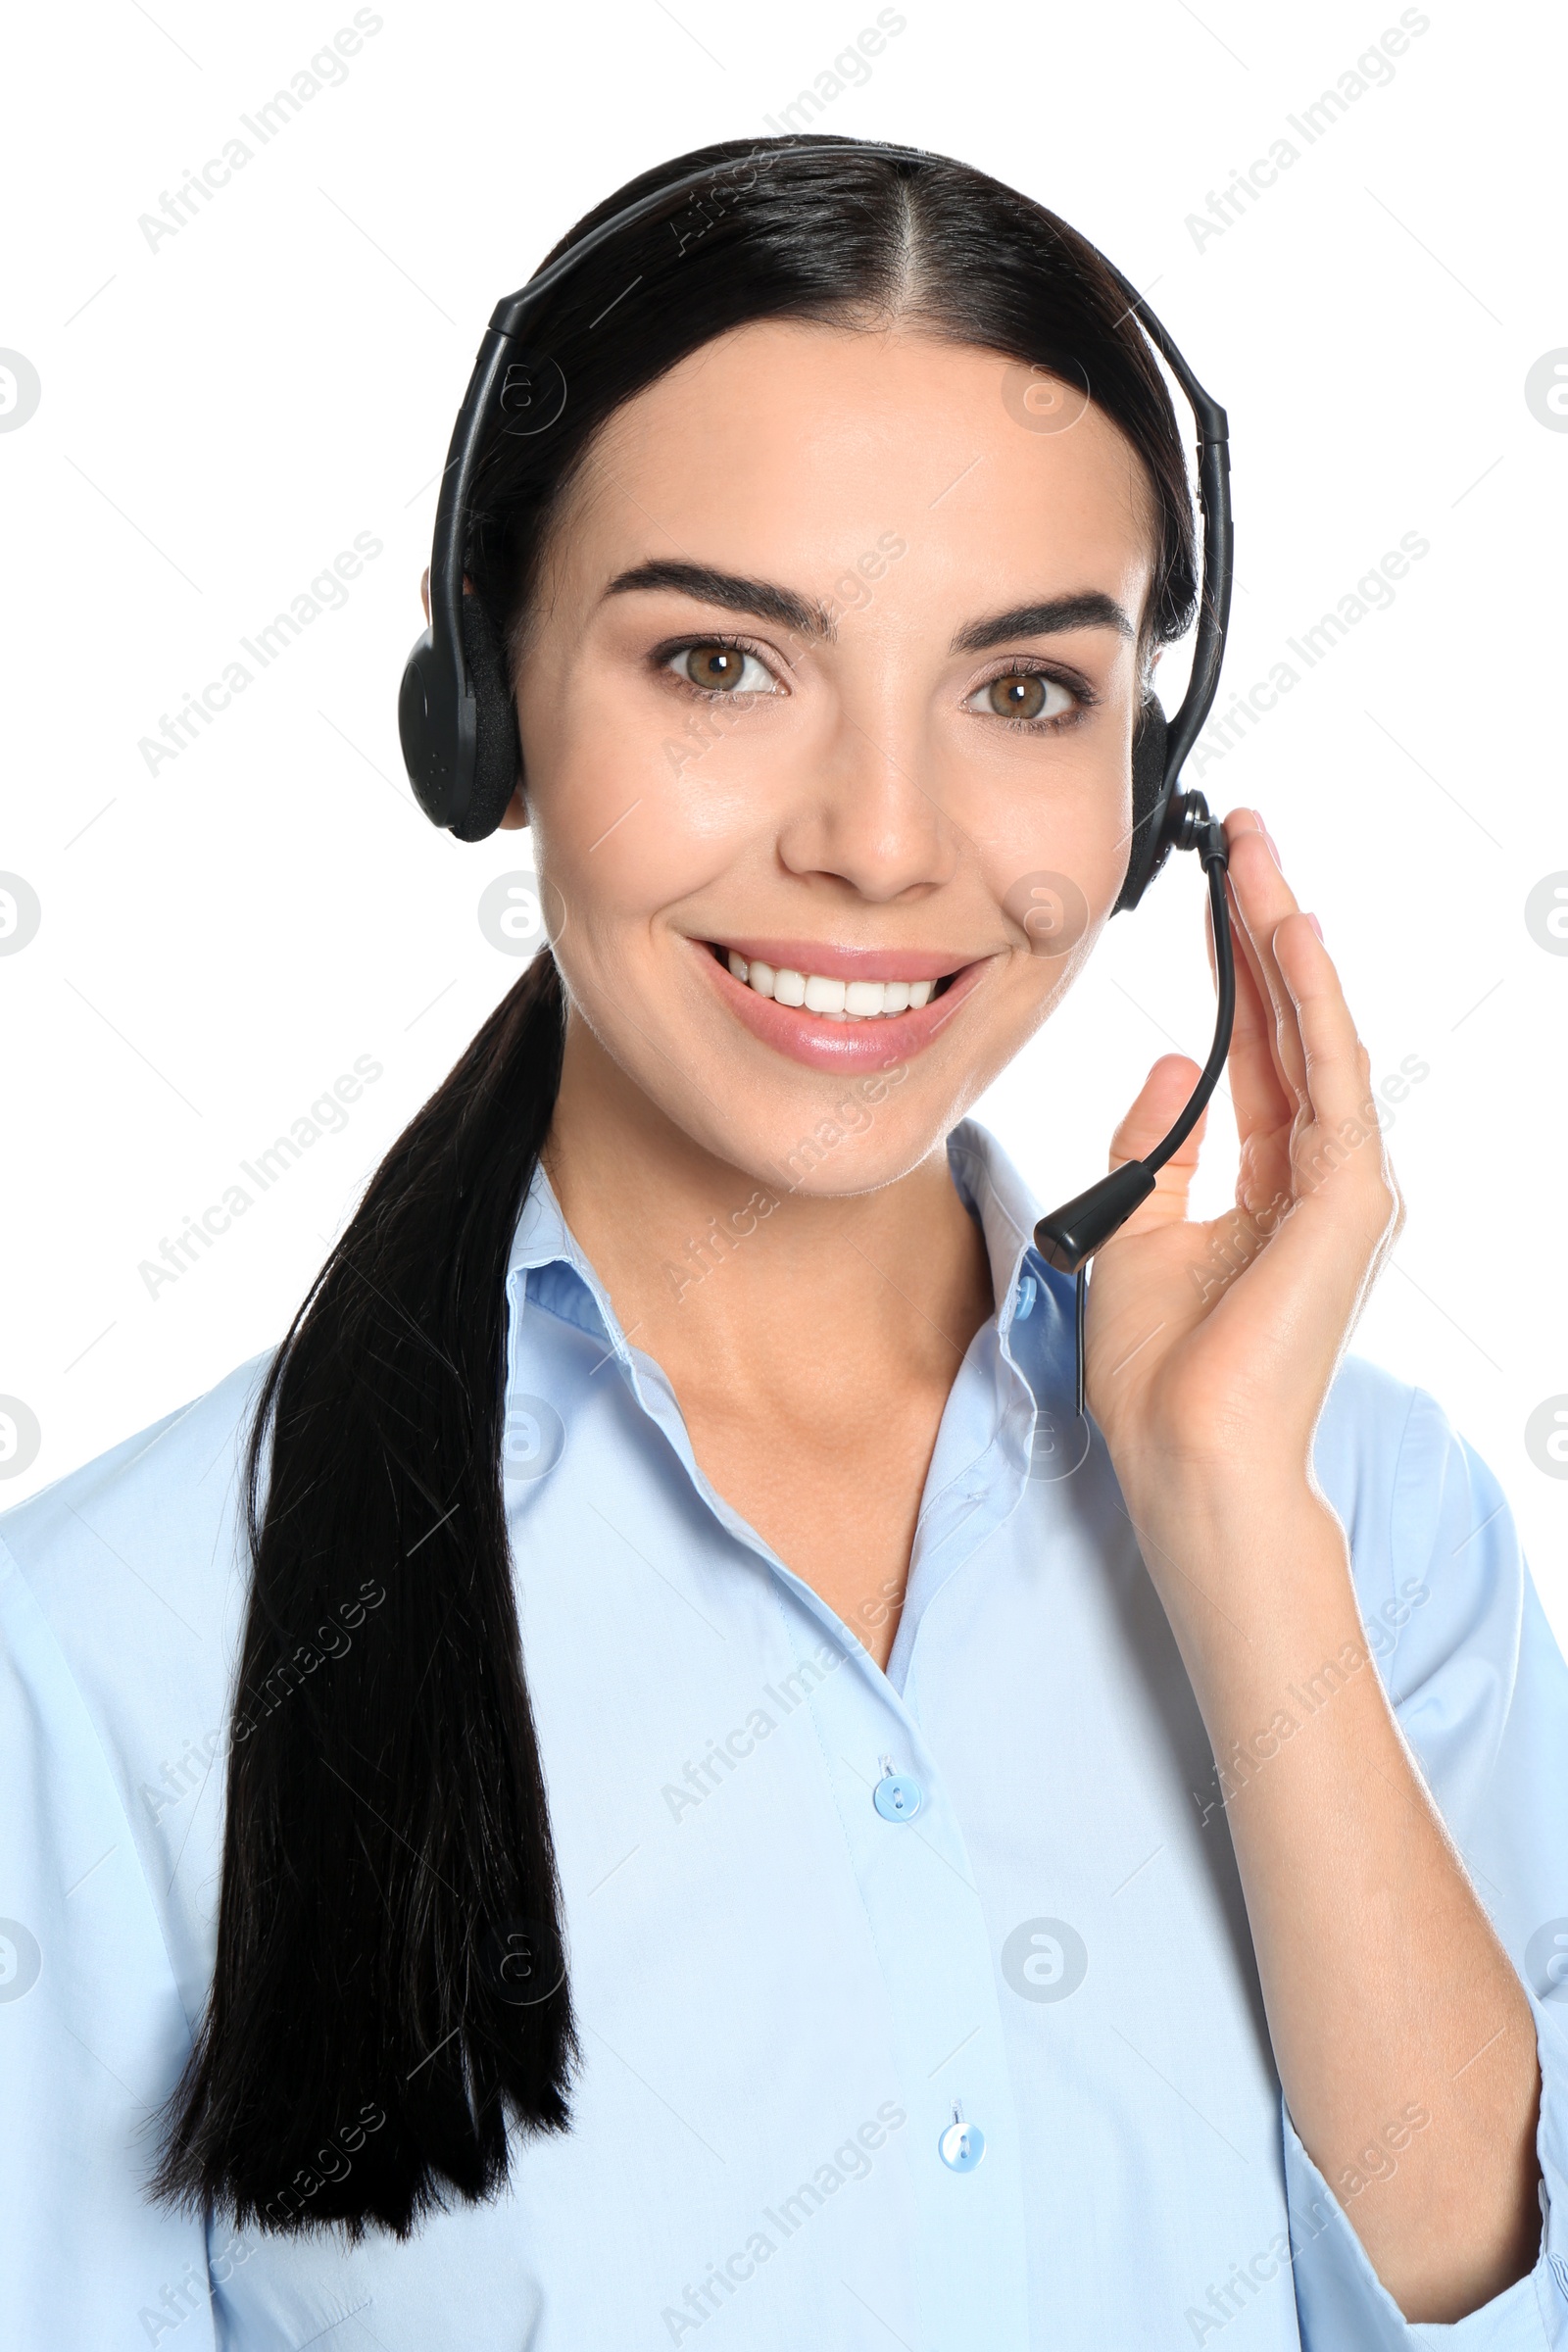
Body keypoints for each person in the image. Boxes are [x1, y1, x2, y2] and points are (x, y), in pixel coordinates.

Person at [3, 134, 1565, 2352]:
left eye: (1022, 691)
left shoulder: (1370, 1529)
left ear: (1150, 786)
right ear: (487, 712)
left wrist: (1232, 1520)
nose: (878, 843)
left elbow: (1477, 2306)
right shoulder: (103, 1656)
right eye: (723, 664)